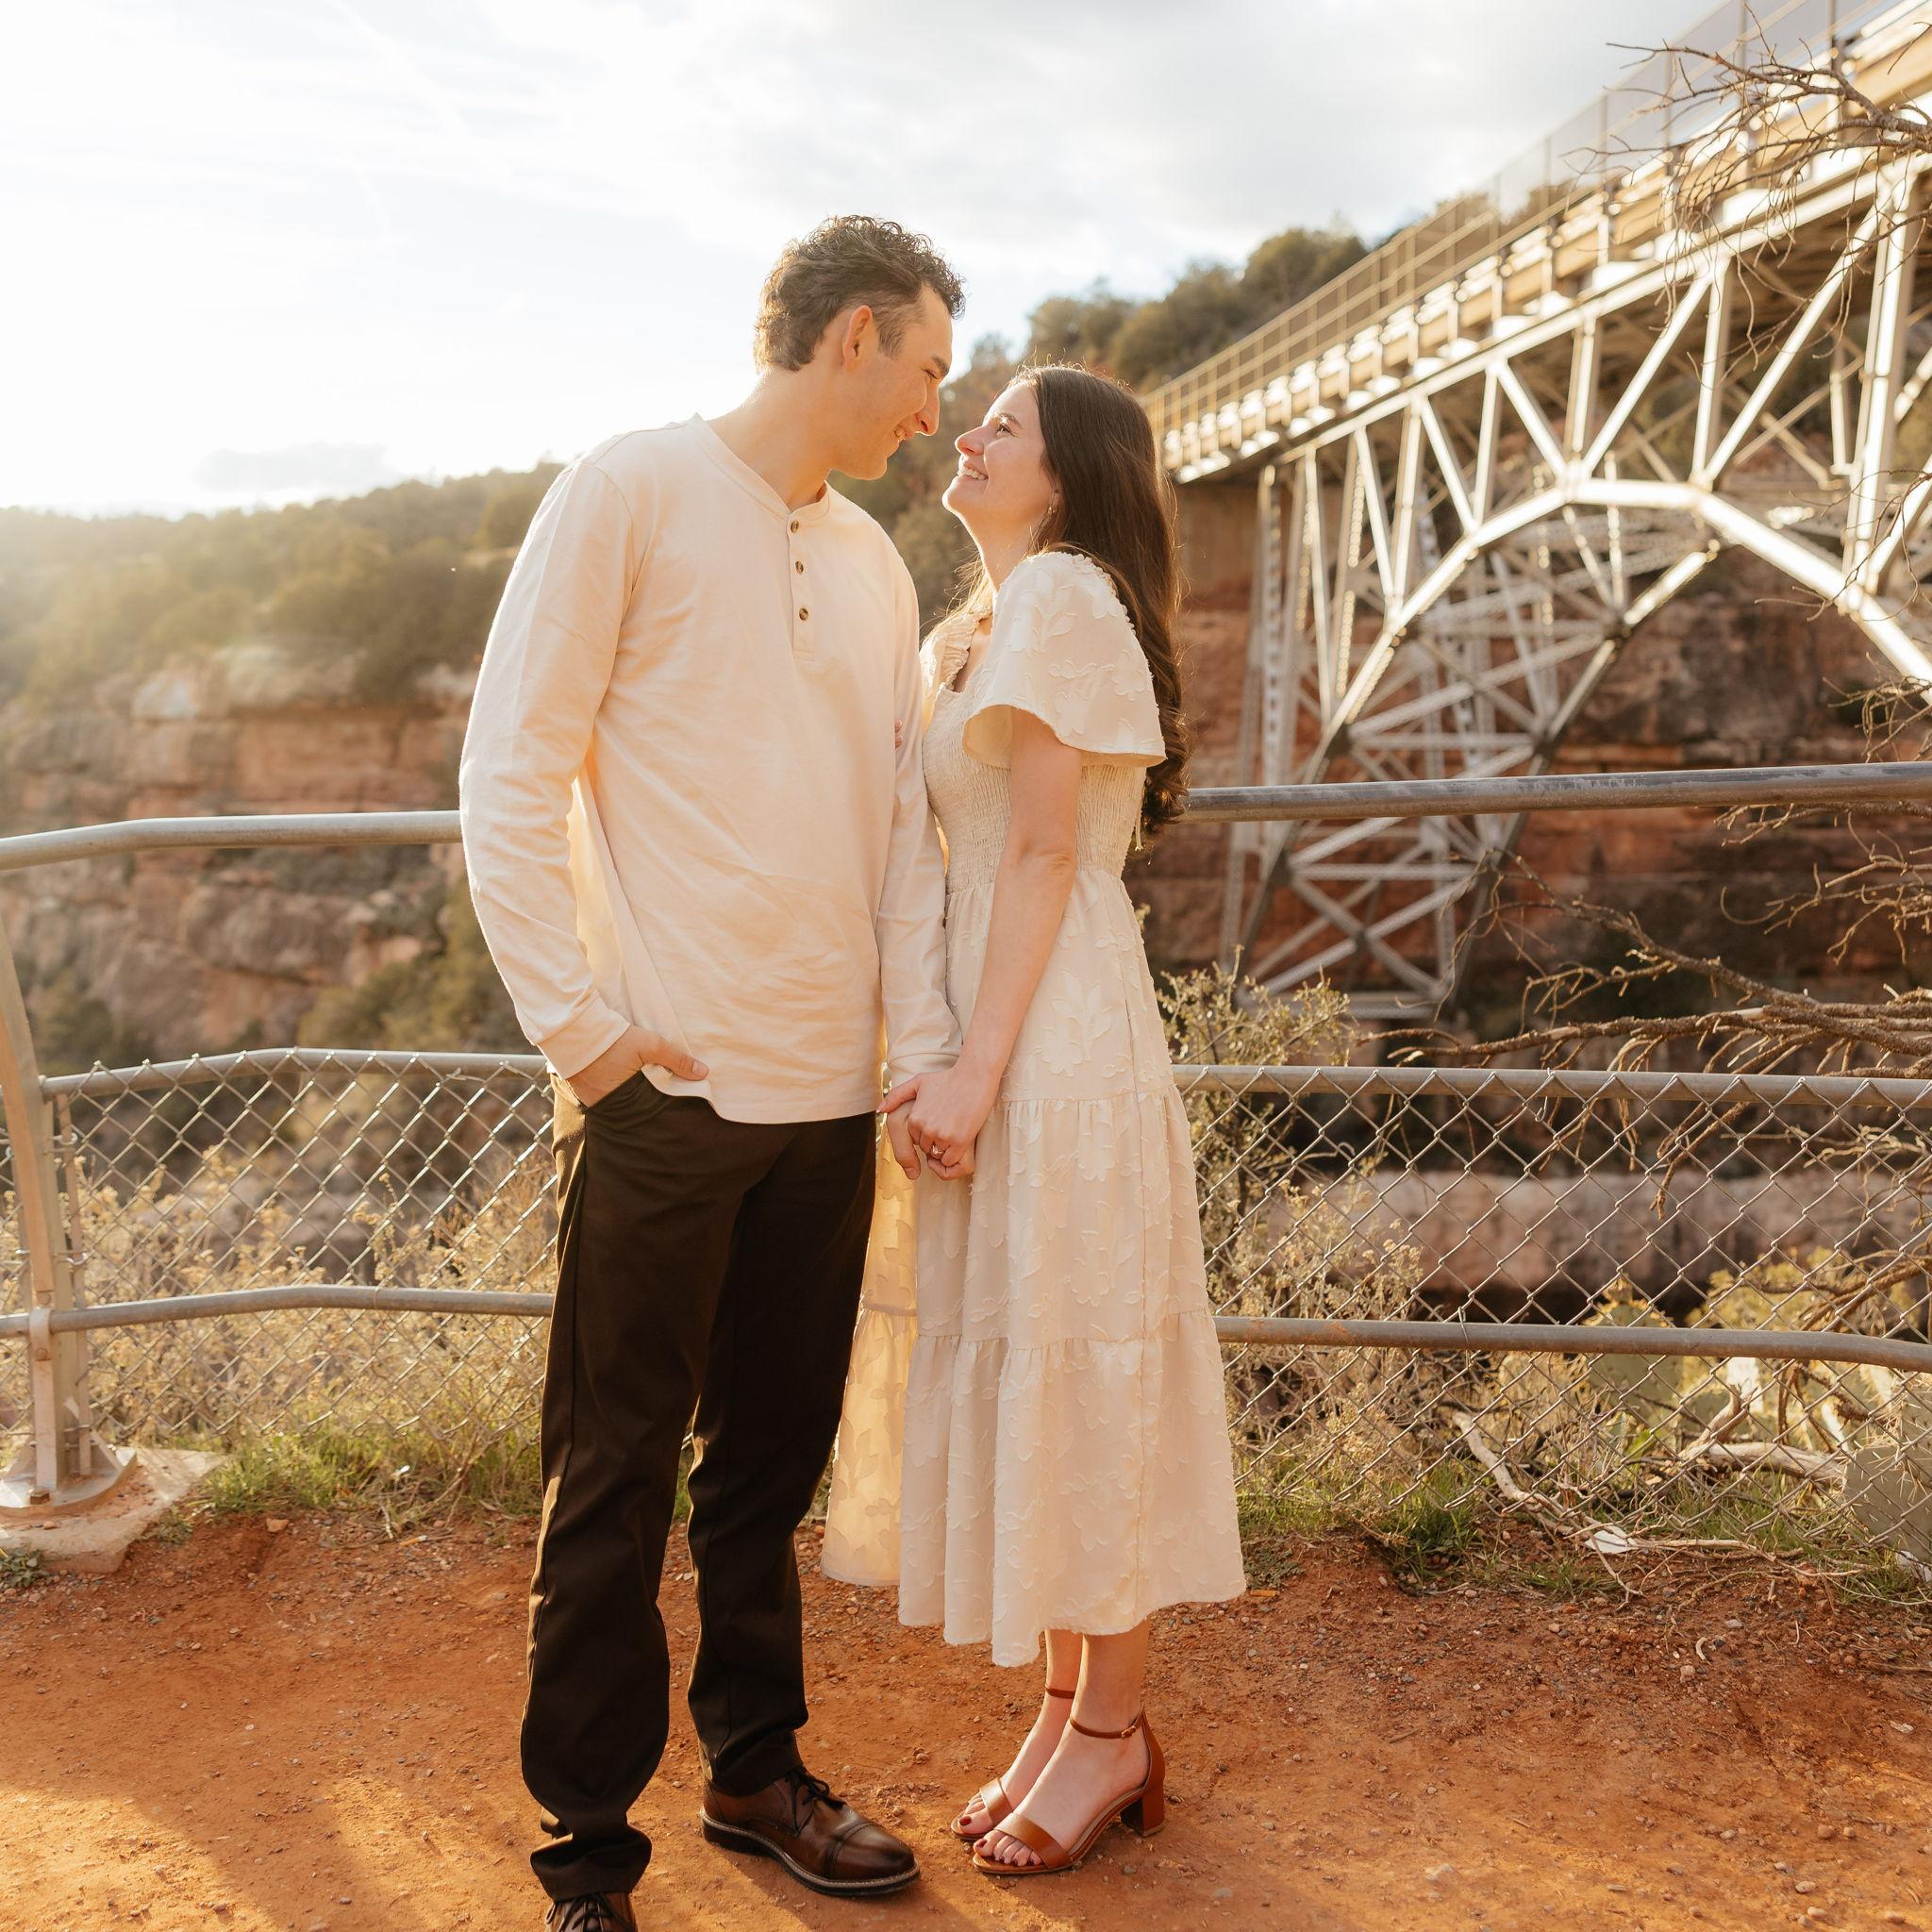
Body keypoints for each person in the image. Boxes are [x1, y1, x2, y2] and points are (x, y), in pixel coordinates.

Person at [458, 215, 966, 1931]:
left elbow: (903, 831)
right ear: (854, 338)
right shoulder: (631, 488)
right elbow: (508, 767)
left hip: (831, 1102)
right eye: (926, 370)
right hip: (665, 1098)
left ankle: (758, 1774)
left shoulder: (882, 568)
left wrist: (916, 1046)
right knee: (610, 1476)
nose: (931, 412)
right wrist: (583, 1037)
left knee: (767, 1469)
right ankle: (587, 1851)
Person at [823, 362, 1248, 1878]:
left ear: (1066, 476)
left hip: (1054, 1048)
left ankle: (1115, 1731)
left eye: (1005, 422)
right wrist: (926, 1051)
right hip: (1001, 1035)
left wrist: (975, 1074)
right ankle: (1073, 1717)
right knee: (1045, 1364)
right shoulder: (981, 625)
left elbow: (1047, 859)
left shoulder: (1064, 601)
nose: (970, 432)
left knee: (1079, 1376)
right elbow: (940, 863)